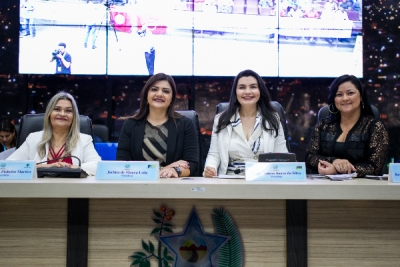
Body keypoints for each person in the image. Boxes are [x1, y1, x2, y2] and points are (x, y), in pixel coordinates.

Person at [203, 69, 288, 178]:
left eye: (253, 87)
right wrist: (211, 168)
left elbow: (282, 156)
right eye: (242, 87)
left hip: (264, 179)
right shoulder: (221, 120)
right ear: (235, 92)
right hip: (230, 180)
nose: (247, 91)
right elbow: (214, 154)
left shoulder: (273, 119)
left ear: (260, 91)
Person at [116, 73, 198, 178]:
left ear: (172, 97)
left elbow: (192, 164)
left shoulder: (185, 124)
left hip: (173, 187)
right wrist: (164, 169)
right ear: (146, 95)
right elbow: (122, 164)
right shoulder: (130, 125)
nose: (159, 94)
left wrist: (175, 170)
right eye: (154, 89)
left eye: (166, 91)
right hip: (138, 186)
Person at [305, 75, 389, 177]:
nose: (345, 98)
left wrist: (338, 171)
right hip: (326, 186)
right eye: (339, 95)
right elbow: (310, 157)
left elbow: (374, 167)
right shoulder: (323, 125)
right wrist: (334, 161)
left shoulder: (375, 127)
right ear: (334, 99)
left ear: (361, 96)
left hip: (362, 188)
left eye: (350, 93)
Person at [7, 92, 101, 176]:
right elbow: (8, 166)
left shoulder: (84, 140)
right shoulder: (33, 138)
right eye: (57, 109)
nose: (62, 114)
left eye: (68, 111)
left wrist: (72, 168)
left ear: (74, 117)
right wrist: (43, 167)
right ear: (49, 114)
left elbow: (97, 165)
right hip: (38, 192)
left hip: (72, 191)